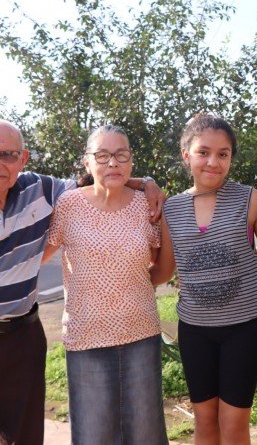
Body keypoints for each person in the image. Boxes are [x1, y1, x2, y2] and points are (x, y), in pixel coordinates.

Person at [0, 118, 164, 445]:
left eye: (8, 155)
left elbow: (105, 177)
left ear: (24, 158)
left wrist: (146, 183)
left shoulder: (43, 190)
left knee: (25, 438)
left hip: (22, 338)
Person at [150, 113, 257, 445]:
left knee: (233, 425)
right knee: (204, 423)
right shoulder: (171, 209)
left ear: (231, 157)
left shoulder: (250, 199)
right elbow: (164, 271)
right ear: (186, 154)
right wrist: (121, 275)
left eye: (223, 154)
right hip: (195, 332)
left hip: (243, 329)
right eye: (203, 152)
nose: (213, 162)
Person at [42, 124, 168, 444]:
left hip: (141, 333)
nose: (112, 163)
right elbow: (39, 256)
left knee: (145, 433)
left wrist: (131, 287)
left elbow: (160, 267)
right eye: (102, 155)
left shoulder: (147, 207)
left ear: (131, 162)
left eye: (121, 155)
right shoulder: (68, 205)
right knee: (93, 434)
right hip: (86, 338)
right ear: (87, 162)